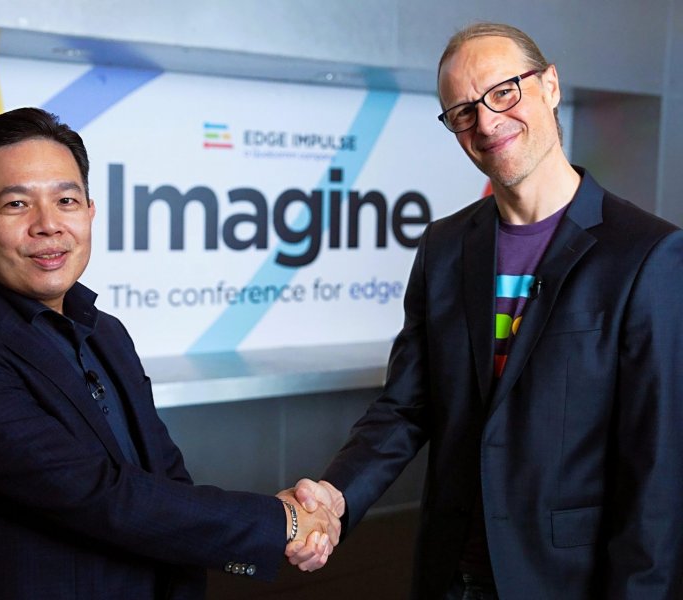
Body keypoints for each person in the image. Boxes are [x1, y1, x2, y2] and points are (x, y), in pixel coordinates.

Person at [289, 22, 683, 599]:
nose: (487, 122)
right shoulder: (445, 246)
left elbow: (658, 469)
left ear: (550, 85)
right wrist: (337, 495)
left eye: (504, 91)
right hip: (451, 575)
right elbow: (406, 407)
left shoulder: (648, 253)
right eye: (463, 112)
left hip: (567, 583)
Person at [0, 107, 337, 599]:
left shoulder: (106, 333)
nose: (48, 225)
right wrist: (280, 522)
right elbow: (98, 496)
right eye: (17, 204)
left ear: (89, 212)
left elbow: (167, 482)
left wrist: (282, 522)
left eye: (66, 200)